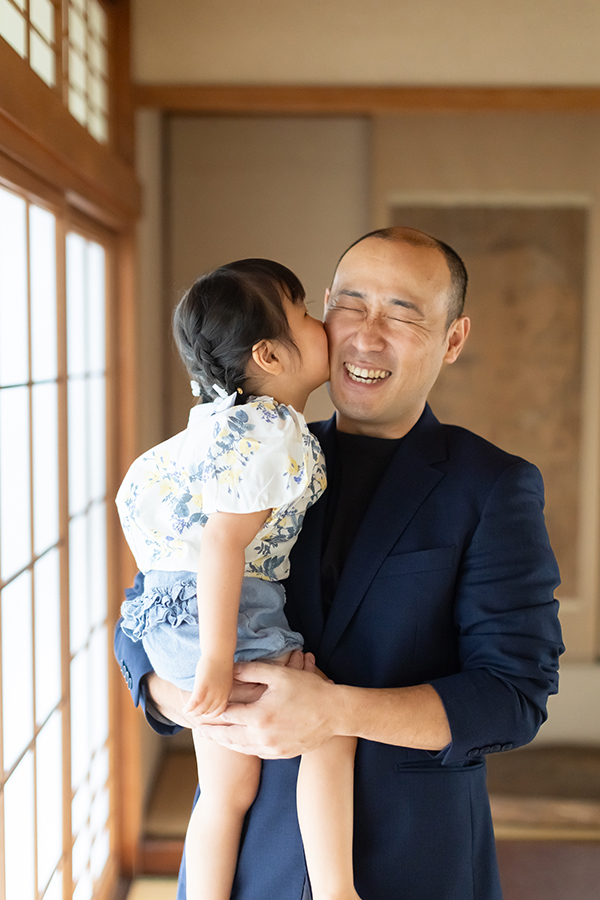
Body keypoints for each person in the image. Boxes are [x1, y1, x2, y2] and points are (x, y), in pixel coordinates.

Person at [115, 228, 564, 900]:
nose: (367, 335)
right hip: (243, 866)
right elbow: (152, 604)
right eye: (351, 305)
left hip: (411, 867)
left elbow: (513, 696)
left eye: (404, 313)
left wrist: (335, 712)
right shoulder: (260, 458)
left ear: (453, 339)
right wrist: (185, 696)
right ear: (322, 311)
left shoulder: (493, 487)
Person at [115, 258, 363, 900]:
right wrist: (217, 662)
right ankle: (339, 890)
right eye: (306, 314)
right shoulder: (271, 430)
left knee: (226, 792)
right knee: (331, 729)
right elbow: (224, 546)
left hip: (164, 614)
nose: (322, 325)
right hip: (220, 615)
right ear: (269, 356)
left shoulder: (219, 424)